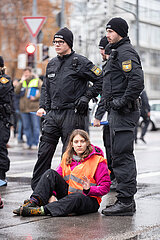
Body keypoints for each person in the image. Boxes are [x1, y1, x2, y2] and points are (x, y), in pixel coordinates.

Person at [31, 27, 103, 190]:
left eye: (60, 42)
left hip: (73, 114)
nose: (57, 45)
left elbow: (100, 79)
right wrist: (42, 106)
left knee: (69, 155)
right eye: (55, 42)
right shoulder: (52, 64)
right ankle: (38, 190)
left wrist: (86, 97)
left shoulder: (80, 62)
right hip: (53, 115)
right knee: (44, 152)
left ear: (68, 43)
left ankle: (68, 191)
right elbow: (45, 88)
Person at [13, 129, 111, 217]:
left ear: (87, 143)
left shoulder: (98, 160)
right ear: (72, 144)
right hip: (68, 196)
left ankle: (40, 211)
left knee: (77, 197)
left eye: (82, 141)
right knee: (50, 173)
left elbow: (105, 187)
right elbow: (55, 179)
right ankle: (33, 202)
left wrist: (89, 190)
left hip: (88, 199)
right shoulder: (67, 157)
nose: (79, 145)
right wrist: (53, 195)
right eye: (76, 142)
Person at [101, 17, 144, 216]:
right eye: (107, 31)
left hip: (124, 112)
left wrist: (121, 101)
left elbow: (137, 81)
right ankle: (126, 200)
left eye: (110, 31)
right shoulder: (117, 52)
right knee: (118, 155)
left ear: (120, 32)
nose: (107, 35)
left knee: (122, 156)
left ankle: (125, 202)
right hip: (117, 113)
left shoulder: (125, 52)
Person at [93, 36, 116, 189]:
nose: (101, 51)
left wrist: (97, 116)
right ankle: (113, 175)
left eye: (102, 48)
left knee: (115, 148)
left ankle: (116, 177)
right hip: (110, 117)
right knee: (109, 146)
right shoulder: (106, 66)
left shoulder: (110, 67)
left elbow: (106, 95)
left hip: (114, 115)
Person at [15, 67, 42, 150]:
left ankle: (35, 143)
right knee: (26, 127)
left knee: (35, 127)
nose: (26, 74)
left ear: (30, 73)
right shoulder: (22, 81)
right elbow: (16, 91)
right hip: (23, 109)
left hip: (33, 108)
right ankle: (29, 143)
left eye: (27, 72)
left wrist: (36, 97)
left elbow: (43, 91)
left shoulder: (36, 80)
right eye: (25, 73)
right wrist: (21, 81)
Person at [0, 56, 14, 186]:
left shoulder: (5, 80)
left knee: (0, 147)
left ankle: (2, 176)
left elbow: (2, 91)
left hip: (2, 120)